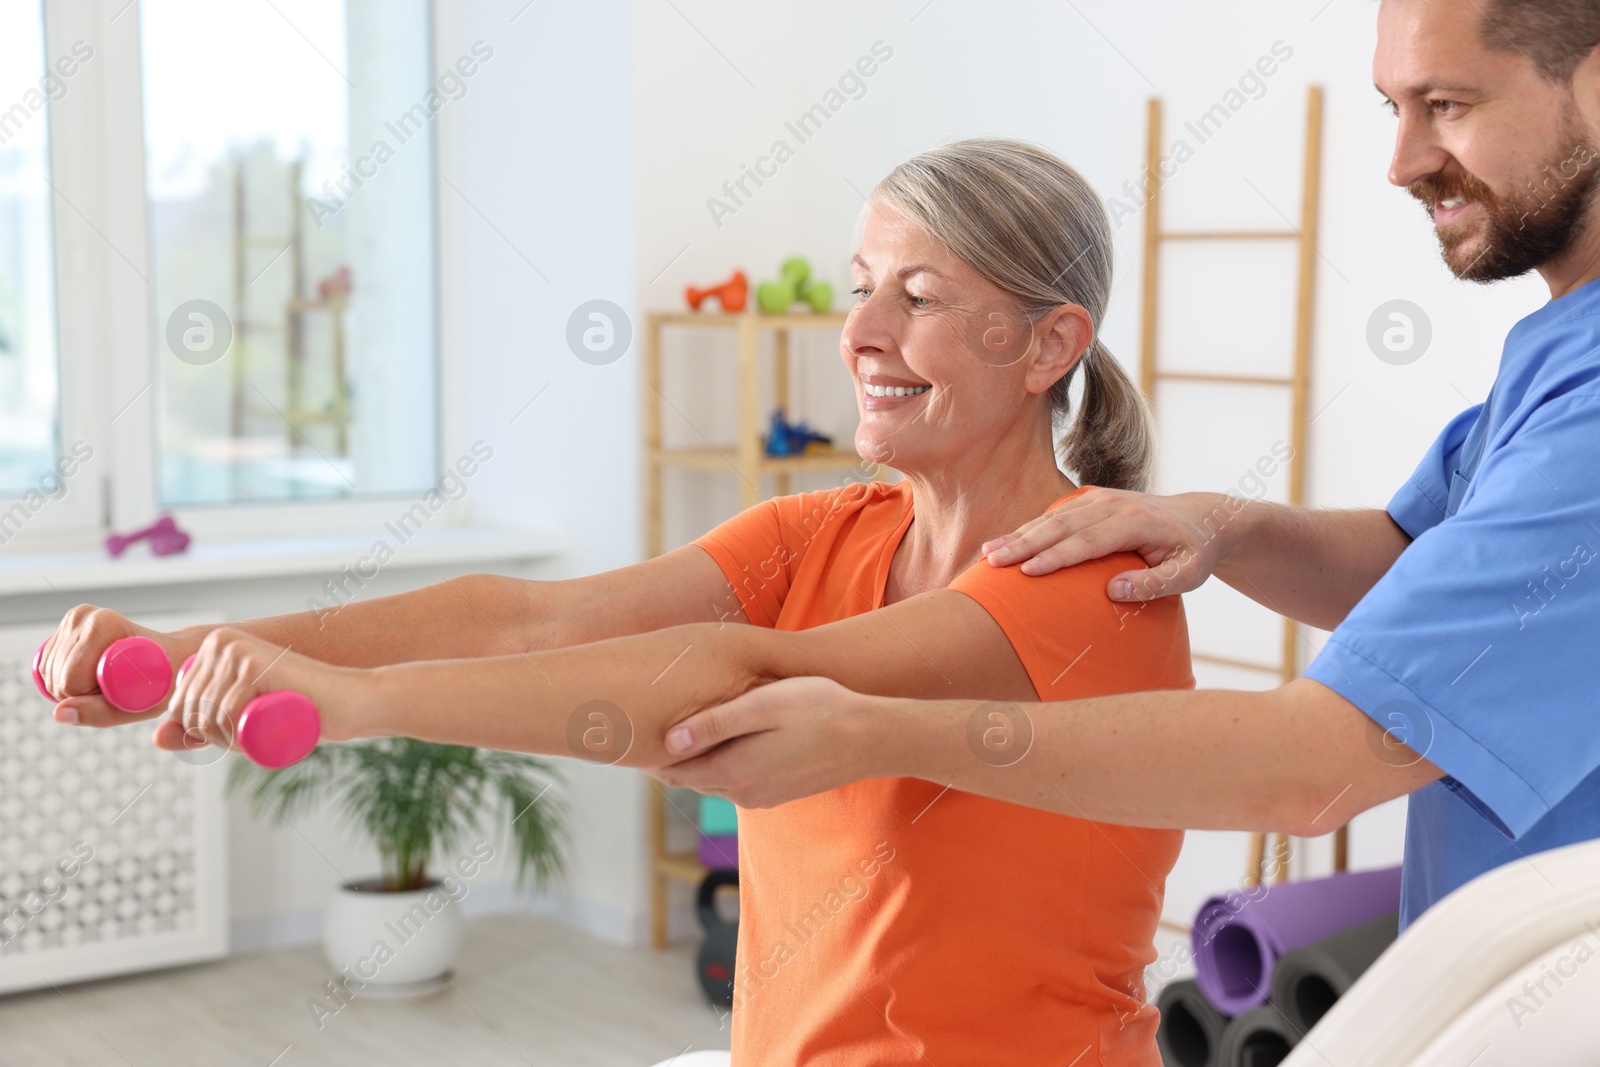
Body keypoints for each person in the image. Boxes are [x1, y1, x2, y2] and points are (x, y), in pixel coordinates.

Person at [40, 141, 1194, 1064]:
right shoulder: (827, 529)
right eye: (858, 289)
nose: (858, 332)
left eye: (919, 295)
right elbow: (528, 619)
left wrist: (350, 698)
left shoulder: (1097, 581)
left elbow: (738, 684)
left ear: (1049, 342)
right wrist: (195, 646)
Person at [655, 0, 1600, 935]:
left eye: (1447, 105)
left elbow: (1315, 767)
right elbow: (1411, 563)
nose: (1400, 163)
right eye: (1392, 107)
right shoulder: (1557, 354)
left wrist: (876, 731)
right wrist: (1225, 523)